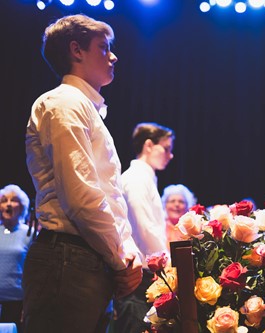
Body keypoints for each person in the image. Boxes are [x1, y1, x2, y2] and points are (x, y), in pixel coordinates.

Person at [24, 14, 142, 333]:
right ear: (77, 51)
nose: (113, 55)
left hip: (84, 257)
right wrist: (120, 259)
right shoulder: (64, 102)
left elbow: (109, 194)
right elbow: (82, 198)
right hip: (68, 258)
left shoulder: (83, 107)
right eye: (104, 47)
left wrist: (127, 250)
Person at [114, 123, 175, 333]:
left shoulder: (144, 177)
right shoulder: (137, 178)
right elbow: (144, 227)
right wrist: (166, 264)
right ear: (149, 145)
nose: (171, 155)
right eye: (166, 148)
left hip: (147, 270)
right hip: (141, 274)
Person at [0, 185, 32, 332]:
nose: (8, 204)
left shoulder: (29, 234)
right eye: (4, 200)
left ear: (22, 206)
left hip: (18, 304)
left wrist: (28, 304)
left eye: (13, 200)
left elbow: (34, 272)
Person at [161, 184, 197, 250]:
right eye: (172, 201)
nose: (177, 204)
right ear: (165, 205)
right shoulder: (158, 226)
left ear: (187, 206)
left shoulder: (192, 229)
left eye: (181, 202)